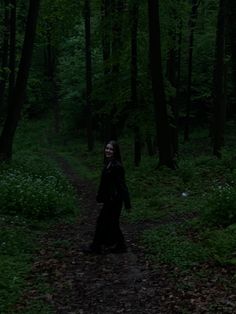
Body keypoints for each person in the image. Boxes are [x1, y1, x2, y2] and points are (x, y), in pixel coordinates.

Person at [84, 140, 131, 254]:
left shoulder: (117, 166)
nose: (108, 151)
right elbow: (105, 184)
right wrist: (100, 196)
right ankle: (120, 246)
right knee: (111, 223)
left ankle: (96, 247)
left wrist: (127, 202)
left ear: (115, 152)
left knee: (103, 222)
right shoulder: (108, 164)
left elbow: (122, 185)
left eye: (111, 149)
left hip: (115, 200)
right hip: (110, 199)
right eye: (107, 148)